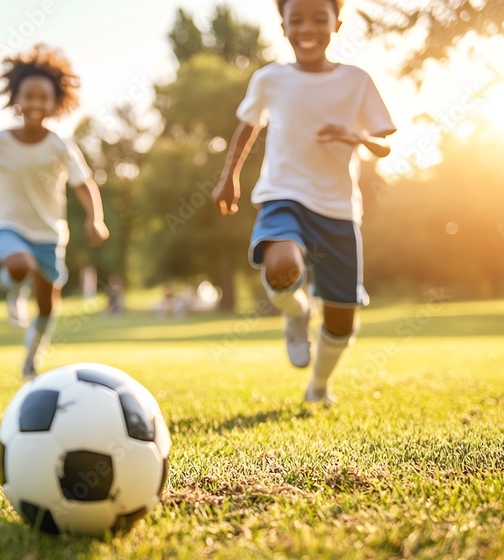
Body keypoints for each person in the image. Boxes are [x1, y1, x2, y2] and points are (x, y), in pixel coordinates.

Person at [212, 0, 395, 405]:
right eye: (297, 19)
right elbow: (248, 126)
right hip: (283, 194)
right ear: (283, 26)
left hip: (338, 209)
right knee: (280, 267)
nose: (307, 27)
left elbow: (383, 144)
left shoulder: (356, 80)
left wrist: (357, 137)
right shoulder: (270, 79)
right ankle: (296, 312)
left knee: (342, 319)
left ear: (337, 24)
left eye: (318, 18)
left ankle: (319, 387)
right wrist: (229, 178)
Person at [0, 44, 109, 379]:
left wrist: (95, 217)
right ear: (16, 98)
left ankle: (32, 355)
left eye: (43, 97)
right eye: (29, 96)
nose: (35, 104)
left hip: (49, 233)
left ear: (55, 103)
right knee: (19, 263)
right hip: (7, 225)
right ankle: (13, 288)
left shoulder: (60, 146)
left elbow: (84, 184)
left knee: (46, 306)